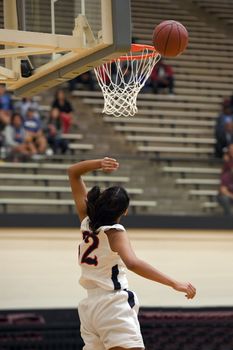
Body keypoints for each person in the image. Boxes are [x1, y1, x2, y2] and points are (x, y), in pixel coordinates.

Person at [68, 157, 196, 350]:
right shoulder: (115, 232)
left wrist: (99, 164)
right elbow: (132, 263)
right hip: (112, 305)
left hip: (89, 308)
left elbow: (73, 172)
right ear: (125, 211)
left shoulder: (86, 221)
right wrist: (174, 283)